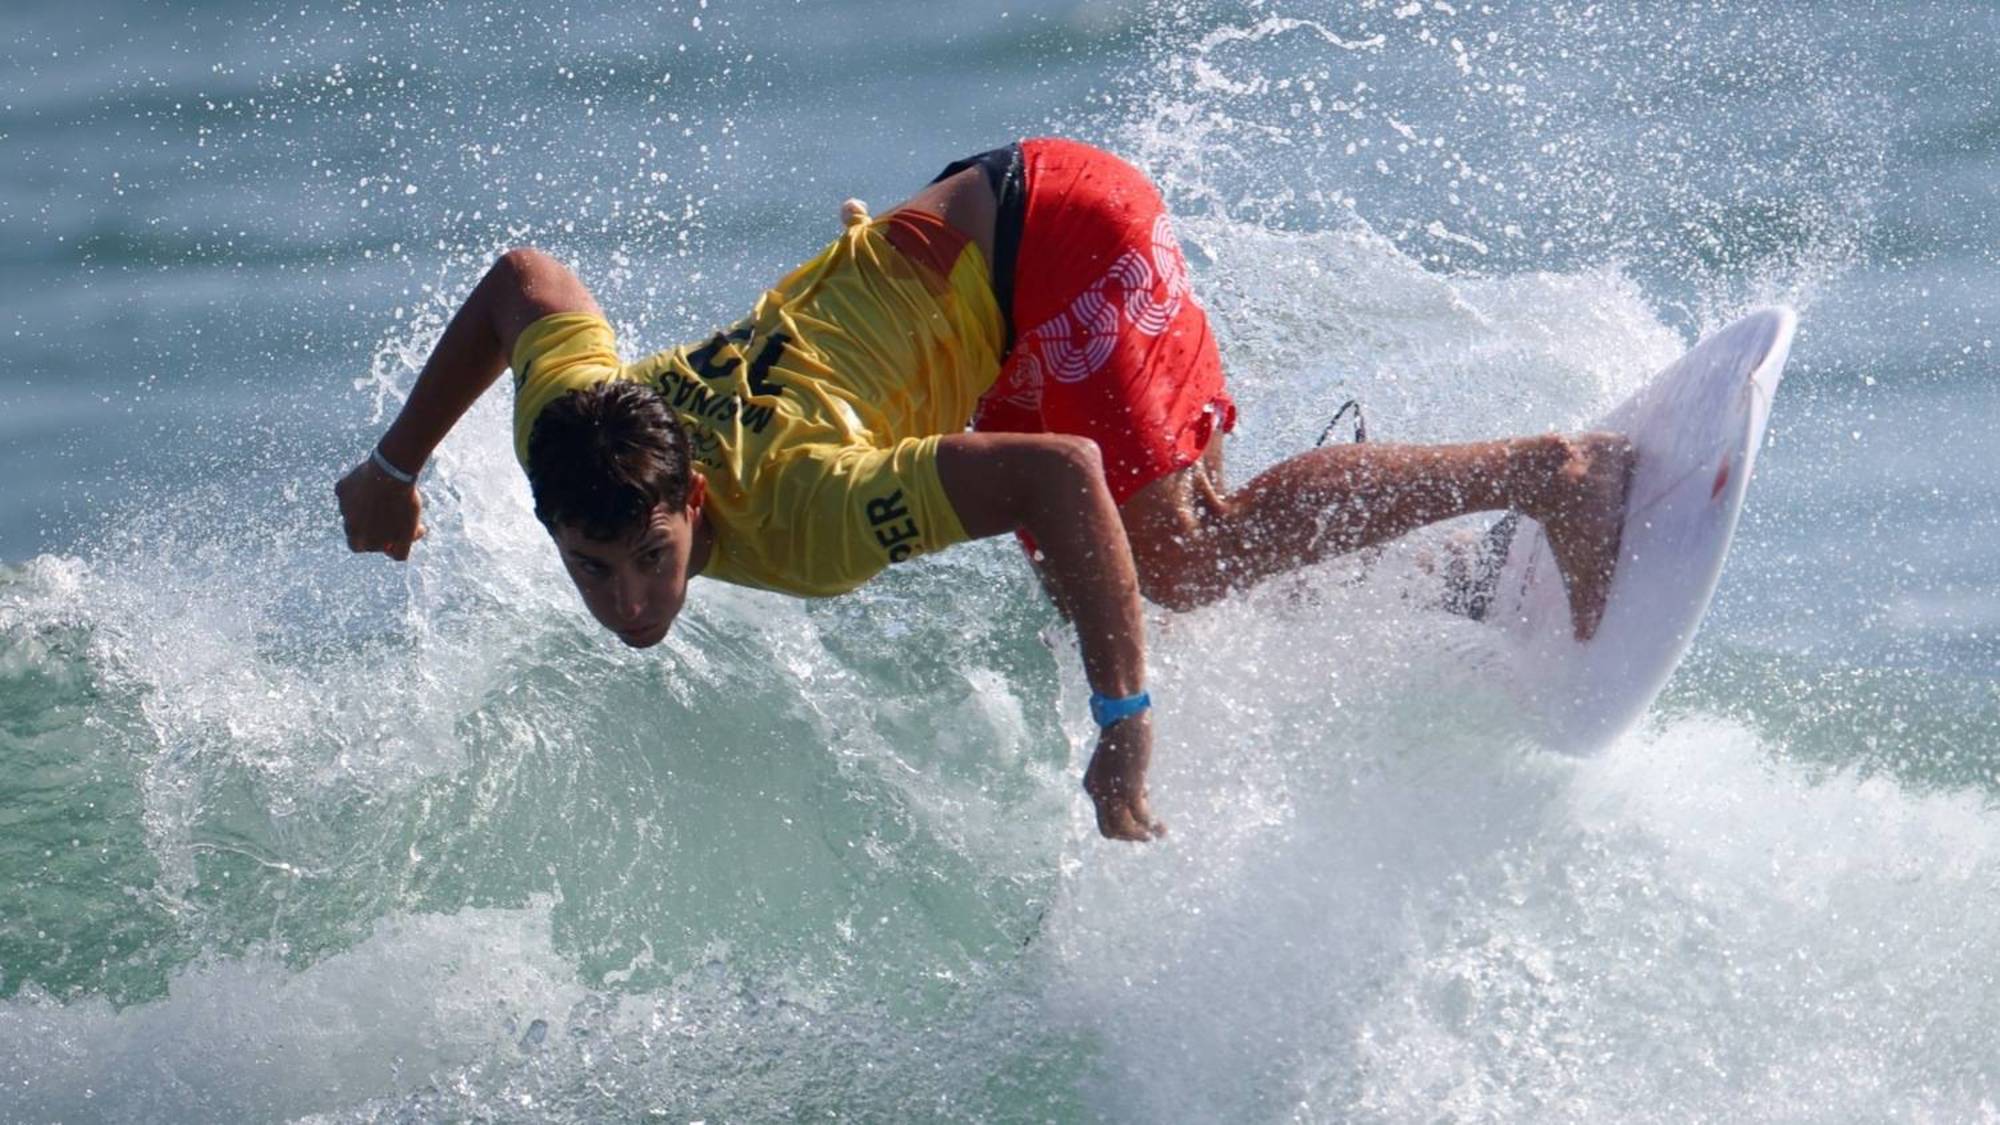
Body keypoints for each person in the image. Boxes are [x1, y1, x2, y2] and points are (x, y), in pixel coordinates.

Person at [336, 138, 1632, 843]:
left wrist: (1124, 723)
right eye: (593, 570)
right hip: (979, 252)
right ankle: (1441, 579)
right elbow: (524, 283)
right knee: (1097, 580)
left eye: (652, 561)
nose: (629, 604)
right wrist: (397, 469)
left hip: (1059, 243)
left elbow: (1060, 475)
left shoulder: (806, 509)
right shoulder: (576, 429)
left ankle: (1550, 475)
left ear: (696, 505)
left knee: (1176, 557)